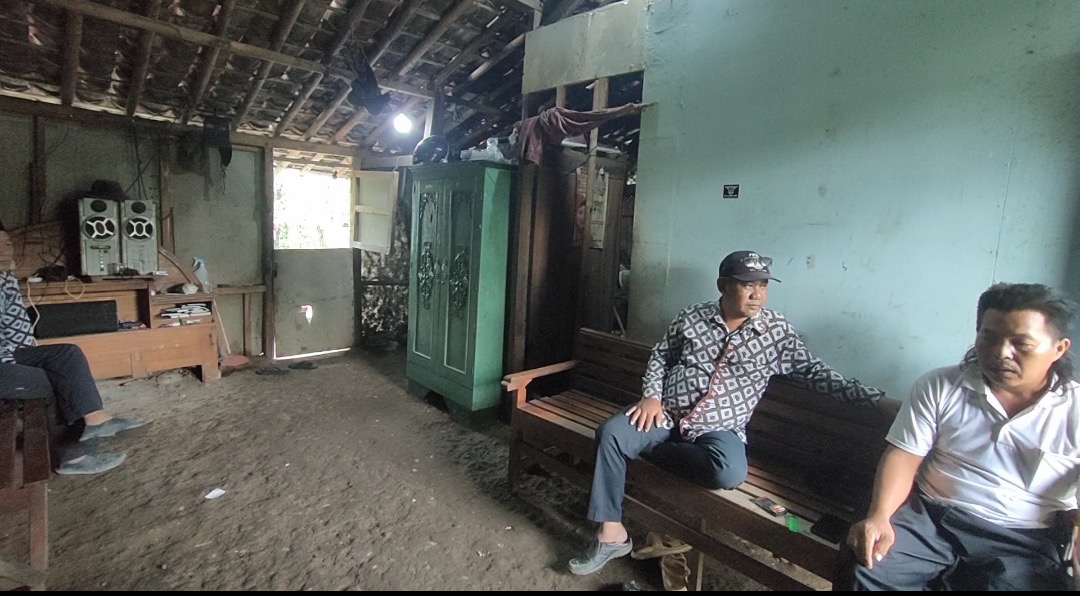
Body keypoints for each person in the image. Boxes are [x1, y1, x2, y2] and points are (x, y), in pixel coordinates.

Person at [568, 250, 900, 575]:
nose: (758, 294)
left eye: (763, 285)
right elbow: (661, 355)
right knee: (612, 433)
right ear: (723, 285)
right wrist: (652, 395)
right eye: (748, 285)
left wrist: (875, 400)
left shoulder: (776, 332)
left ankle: (651, 449)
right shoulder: (693, 316)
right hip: (665, 413)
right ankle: (611, 534)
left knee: (727, 472)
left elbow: (816, 373)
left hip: (718, 428)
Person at [841, 282, 1079, 591]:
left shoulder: (1074, 410)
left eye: (1021, 343)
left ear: (1059, 348)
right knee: (869, 568)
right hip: (931, 518)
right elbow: (904, 455)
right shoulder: (940, 385)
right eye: (988, 337)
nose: (1000, 353)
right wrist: (880, 516)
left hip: (1023, 536)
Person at [0, 220, 150, 475]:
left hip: (15, 352)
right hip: (5, 362)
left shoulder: (5, 277)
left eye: (7, 243)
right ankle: (72, 458)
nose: (6, 249)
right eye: (0, 245)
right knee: (50, 382)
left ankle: (96, 419)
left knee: (67, 355)